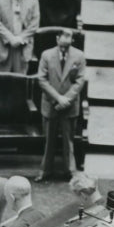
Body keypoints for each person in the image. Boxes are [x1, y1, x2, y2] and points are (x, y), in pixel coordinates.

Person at [37, 28, 87, 182]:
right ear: (57, 40)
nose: (64, 48)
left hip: (69, 105)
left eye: (68, 45)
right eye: (62, 45)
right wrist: (58, 98)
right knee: (49, 140)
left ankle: (70, 171)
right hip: (51, 103)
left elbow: (80, 81)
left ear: (72, 41)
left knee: (68, 140)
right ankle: (45, 170)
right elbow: (42, 79)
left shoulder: (79, 56)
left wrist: (66, 99)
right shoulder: (46, 55)